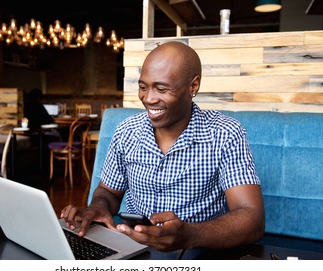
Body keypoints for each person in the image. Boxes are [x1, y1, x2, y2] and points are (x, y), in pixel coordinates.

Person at [61, 41, 265, 252]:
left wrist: (189, 235)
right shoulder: (126, 131)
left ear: (193, 87)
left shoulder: (225, 133)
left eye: (161, 89)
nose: (148, 99)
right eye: (143, 87)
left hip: (196, 251)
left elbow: (252, 218)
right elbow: (108, 191)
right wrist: (98, 207)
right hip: (130, 247)